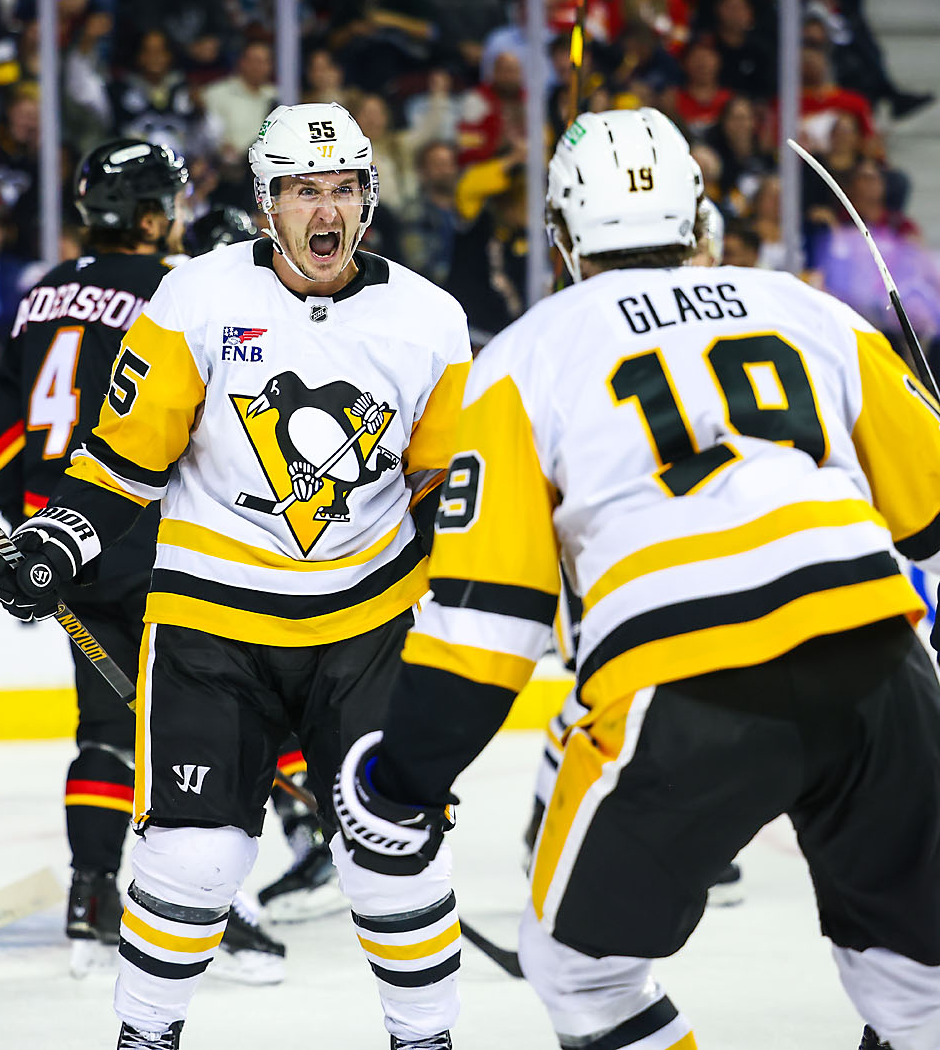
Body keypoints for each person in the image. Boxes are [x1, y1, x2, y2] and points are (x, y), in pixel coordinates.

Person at [334, 107, 940, 1050]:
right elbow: (935, 521)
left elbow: (488, 630)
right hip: (880, 659)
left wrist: (400, 778)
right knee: (917, 986)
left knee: (582, 970)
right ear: (705, 225)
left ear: (564, 240)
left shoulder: (525, 357)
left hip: (680, 677)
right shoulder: (807, 307)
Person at [0, 104, 471, 1048]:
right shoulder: (195, 298)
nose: (323, 211)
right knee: (194, 859)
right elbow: (124, 461)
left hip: (368, 627)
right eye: (300, 190)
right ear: (264, 204)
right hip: (214, 622)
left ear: (367, 199)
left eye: (340, 189)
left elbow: (440, 492)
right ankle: (144, 1037)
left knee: (393, 857)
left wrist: (471, 587)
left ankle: (426, 1040)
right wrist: (59, 541)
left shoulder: (430, 320)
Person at [0, 138, 284, 980]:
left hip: (65, 543)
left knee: (107, 729)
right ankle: (219, 905)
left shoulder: (40, 295)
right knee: (212, 716)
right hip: (154, 536)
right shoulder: (175, 290)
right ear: (155, 215)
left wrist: (34, 533)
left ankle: (90, 899)